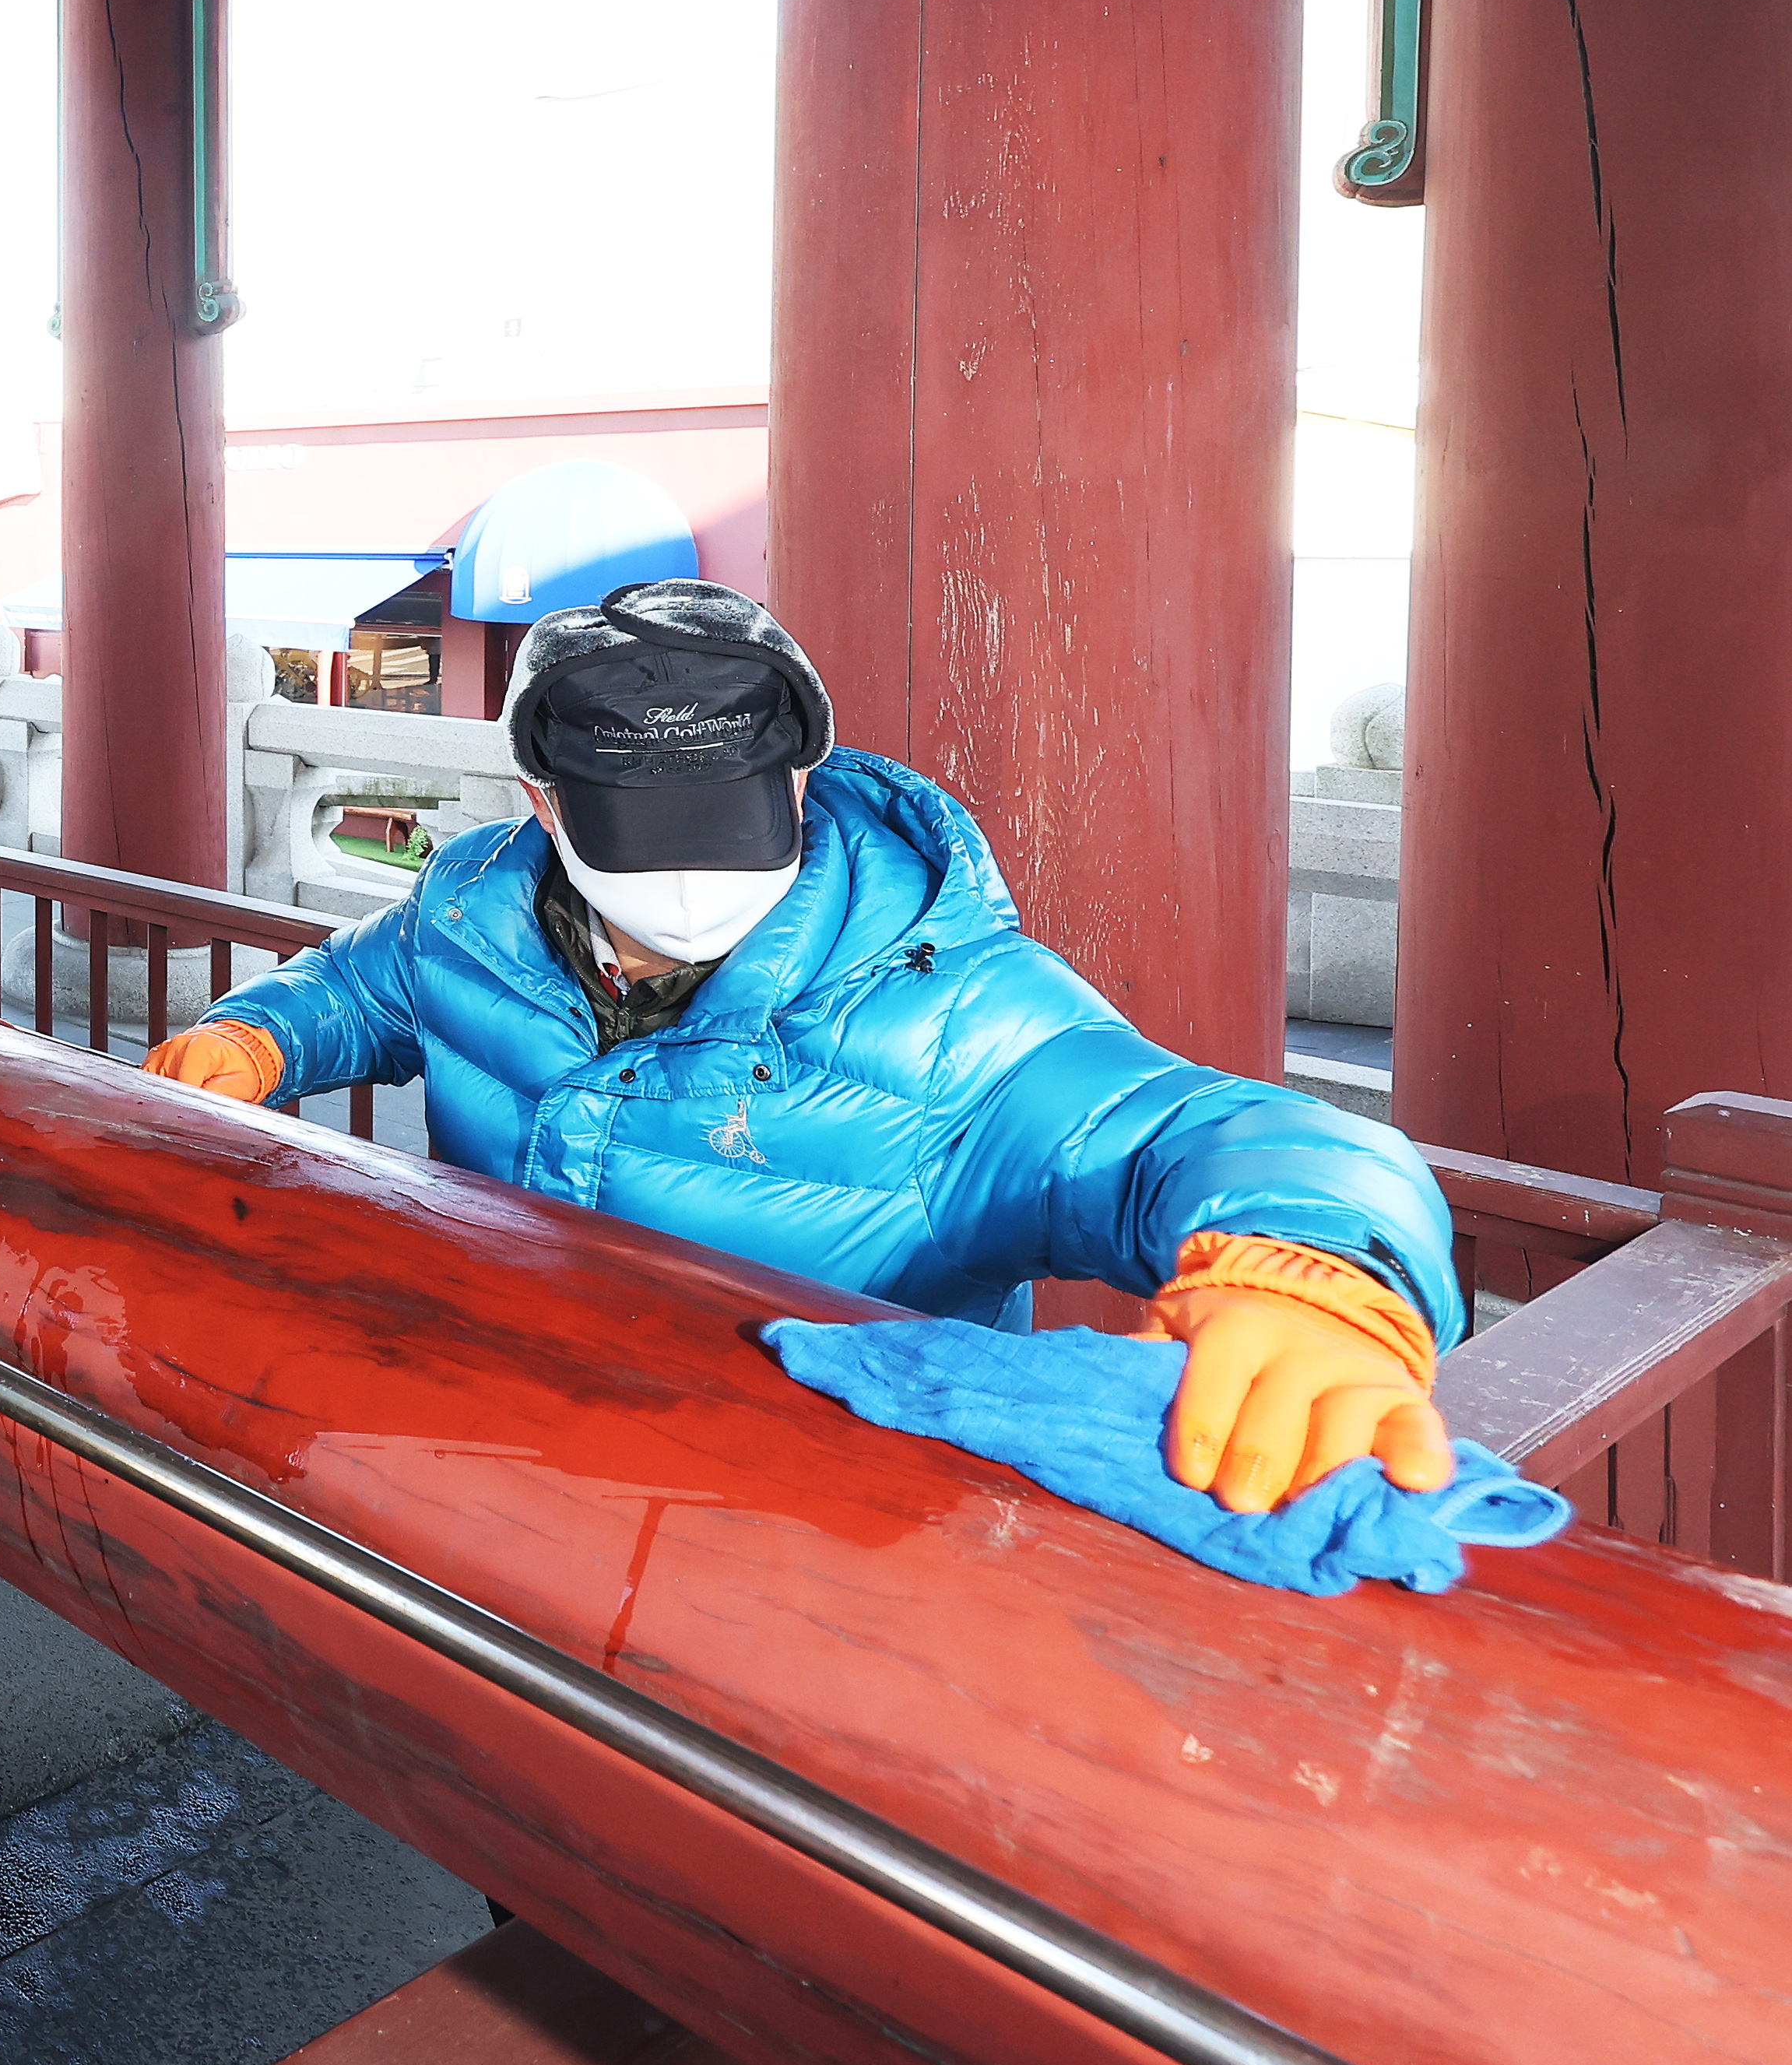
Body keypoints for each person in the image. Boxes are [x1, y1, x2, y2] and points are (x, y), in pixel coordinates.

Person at [146, 580, 1464, 1520]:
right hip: (506, 1478)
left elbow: (1189, 1129)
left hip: (828, 1533)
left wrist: (1312, 1264)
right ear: (542, 804)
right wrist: (253, 1033)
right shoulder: (472, 904)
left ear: (797, 781)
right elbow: (361, 984)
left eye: (715, 822)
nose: (678, 874)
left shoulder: (957, 1012)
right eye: (631, 828)